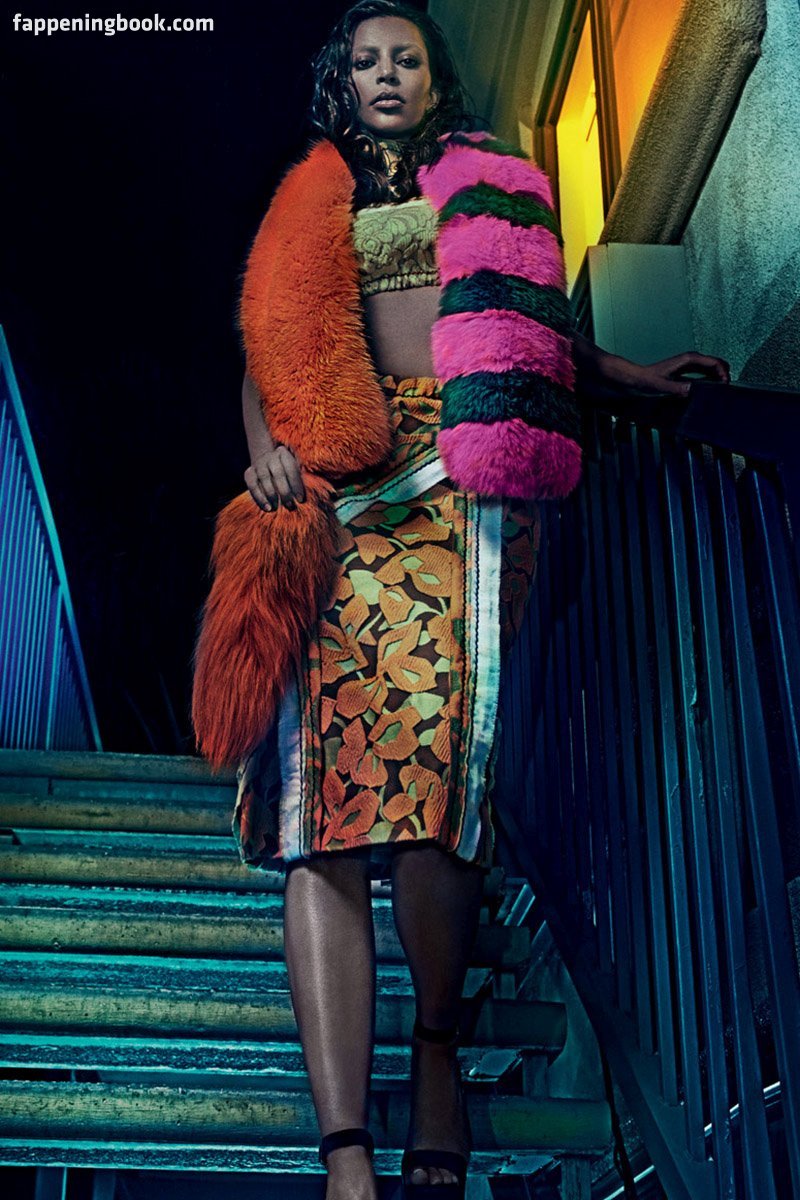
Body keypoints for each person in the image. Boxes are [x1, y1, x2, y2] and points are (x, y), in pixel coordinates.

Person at [191, 3, 730, 1197]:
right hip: (338, 501)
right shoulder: (310, 200)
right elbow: (266, 359)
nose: (386, 74)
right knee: (319, 821)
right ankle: (343, 1150)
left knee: (440, 796)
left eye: (406, 58)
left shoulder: (490, 186)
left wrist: (629, 378)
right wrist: (264, 454)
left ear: (433, 79)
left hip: (466, 489)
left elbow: (538, 339)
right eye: (366, 60)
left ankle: (435, 1049)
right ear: (342, 80)